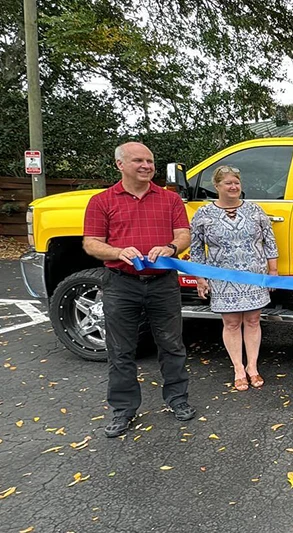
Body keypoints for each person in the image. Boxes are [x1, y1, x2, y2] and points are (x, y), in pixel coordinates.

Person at [83, 142, 195, 438]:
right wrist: (117, 251)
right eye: (138, 161)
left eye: (150, 161)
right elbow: (91, 242)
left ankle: (177, 400)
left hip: (163, 284)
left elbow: (184, 234)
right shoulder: (102, 201)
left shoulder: (169, 200)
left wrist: (171, 247)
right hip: (120, 284)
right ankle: (123, 409)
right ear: (120, 164)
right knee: (120, 350)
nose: (147, 166)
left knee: (172, 345)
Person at [190, 166, 279, 391]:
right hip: (221, 277)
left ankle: (253, 367)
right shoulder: (203, 214)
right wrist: (200, 278)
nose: (233, 187)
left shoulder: (255, 210)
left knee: (252, 320)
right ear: (217, 186)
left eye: (237, 183)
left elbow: (270, 241)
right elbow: (197, 248)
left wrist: (273, 272)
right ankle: (238, 368)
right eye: (228, 183)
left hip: (254, 276)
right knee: (231, 323)